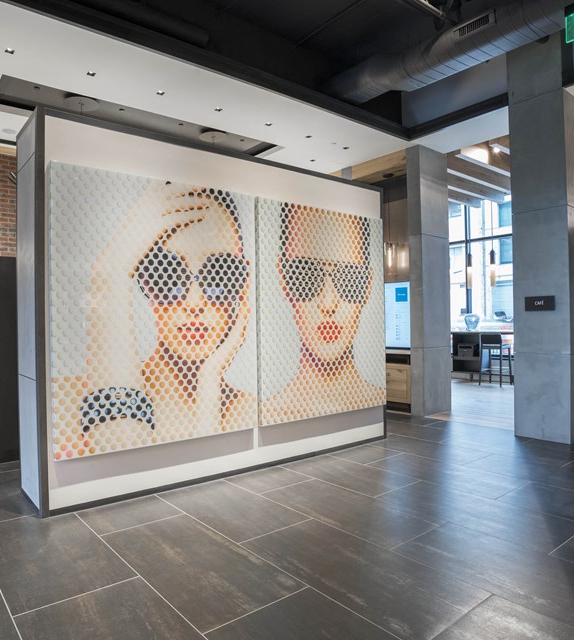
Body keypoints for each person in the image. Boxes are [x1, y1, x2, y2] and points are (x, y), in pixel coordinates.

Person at [52, 180, 255, 459]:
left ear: (243, 284)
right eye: (168, 276)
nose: (194, 303)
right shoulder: (65, 400)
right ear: (144, 279)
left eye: (219, 275)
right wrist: (110, 272)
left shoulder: (253, 412)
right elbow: (119, 454)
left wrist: (210, 381)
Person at [262, 203, 384, 425]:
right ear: (283, 279)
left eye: (348, 279)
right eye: (305, 275)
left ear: (367, 285)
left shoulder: (375, 399)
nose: (328, 304)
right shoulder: (270, 412)